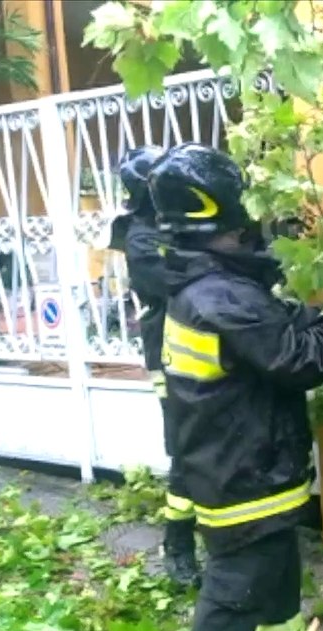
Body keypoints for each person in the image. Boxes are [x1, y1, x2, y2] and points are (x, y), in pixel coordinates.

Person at [147, 142, 323, 631]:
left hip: (241, 461)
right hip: (243, 474)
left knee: (275, 572)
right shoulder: (220, 297)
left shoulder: (209, 282)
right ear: (219, 217)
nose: (250, 231)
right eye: (240, 221)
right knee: (235, 590)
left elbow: (271, 327)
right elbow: (300, 361)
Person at [109, 145, 202, 589]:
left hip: (203, 346)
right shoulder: (142, 239)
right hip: (169, 353)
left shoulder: (180, 224)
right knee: (186, 449)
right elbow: (174, 284)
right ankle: (178, 543)